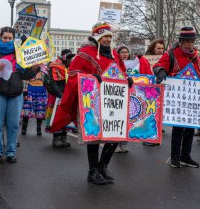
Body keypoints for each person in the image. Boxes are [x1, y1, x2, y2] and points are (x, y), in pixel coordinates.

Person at [51, 22, 130, 185]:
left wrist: (127, 80)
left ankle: (103, 167)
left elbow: (121, 73)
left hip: (112, 102)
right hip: (92, 102)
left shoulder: (114, 55)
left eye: (109, 36)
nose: (108, 39)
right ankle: (92, 171)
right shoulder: (85, 53)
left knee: (115, 134)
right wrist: (92, 78)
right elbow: (74, 75)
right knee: (94, 135)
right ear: (97, 37)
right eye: (104, 37)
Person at [0, 27, 38, 164]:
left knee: (13, 125)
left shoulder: (19, 53)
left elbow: (25, 75)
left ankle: (11, 152)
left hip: (16, 94)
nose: (7, 40)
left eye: (10, 38)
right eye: (5, 38)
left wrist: (34, 68)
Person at [154, 26, 200, 168]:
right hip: (177, 98)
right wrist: (161, 71)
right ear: (181, 41)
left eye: (192, 41)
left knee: (190, 128)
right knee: (178, 129)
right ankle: (175, 157)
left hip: (193, 98)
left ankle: (186, 156)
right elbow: (159, 65)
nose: (190, 44)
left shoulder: (196, 56)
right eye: (187, 41)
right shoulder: (171, 54)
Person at [115, 45, 153, 152]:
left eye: (126, 52)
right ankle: (115, 144)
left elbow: (143, 75)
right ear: (118, 54)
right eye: (122, 52)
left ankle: (123, 144)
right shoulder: (114, 63)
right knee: (118, 119)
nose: (125, 54)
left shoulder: (135, 64)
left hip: (132, 95)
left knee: (128, 120)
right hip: (118, 94)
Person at [44, 49, 75, 147]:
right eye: (69, 58)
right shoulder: (55, 66)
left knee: (65, 116)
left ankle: (63, 138)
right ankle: (56, 138)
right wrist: (60, 94)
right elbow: (53, 82)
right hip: (57, 96)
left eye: (71, 58)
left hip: (67, 96)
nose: (71, 60)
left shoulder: (70, 68)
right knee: (57, 116)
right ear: (64, 57)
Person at [21, 64, 48, 136]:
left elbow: (47, 82)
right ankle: (24, 128)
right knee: (27, 109)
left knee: (40, 110)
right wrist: (25, 93)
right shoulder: (28, 68)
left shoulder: (44, 69)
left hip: (41, 91)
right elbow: (25, 80)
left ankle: (39, 129)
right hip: (30, 90)